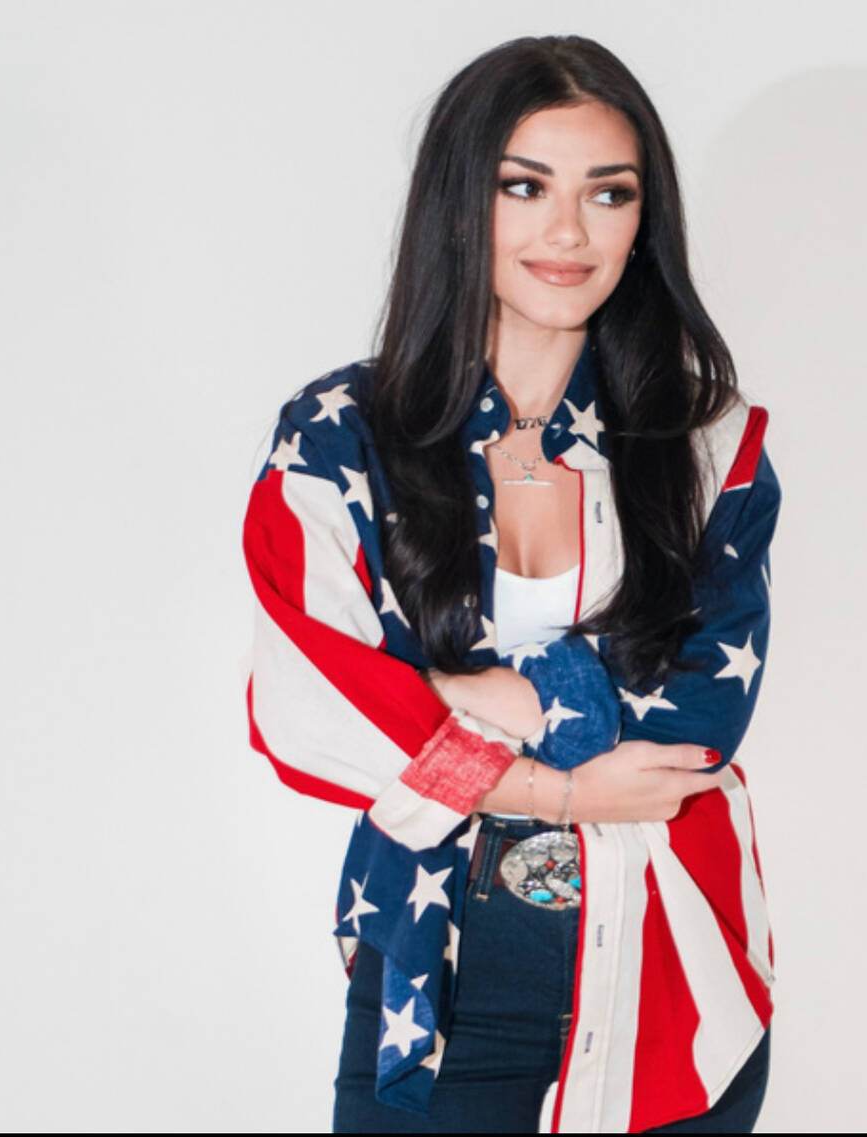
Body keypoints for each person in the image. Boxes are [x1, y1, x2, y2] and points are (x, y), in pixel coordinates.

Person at [242, 34, 782, 1135]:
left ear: (646, 220)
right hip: (440, 976)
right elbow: (313, 704)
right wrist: (566, 789)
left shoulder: (706, 444)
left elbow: (699, 722)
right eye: (524, 186)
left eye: (609, 193)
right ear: (459, 201)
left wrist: (463, 693)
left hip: (674, 968)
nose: (568, 232)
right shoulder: (342, 438)